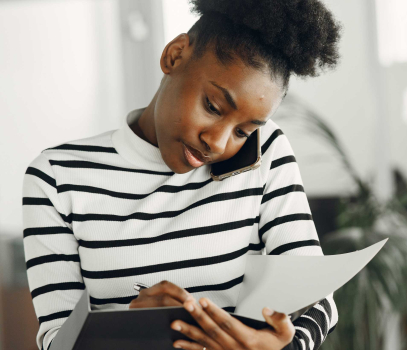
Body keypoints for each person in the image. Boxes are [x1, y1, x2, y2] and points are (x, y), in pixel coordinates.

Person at [21, 0, 342, 349]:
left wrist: (284, 347)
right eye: (213, 107)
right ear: (174, 56)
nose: (217, 143)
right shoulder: (56, 177)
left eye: (243, 131)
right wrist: (134, 331)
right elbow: (57, 340)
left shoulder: (265, 152)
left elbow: (318, 300)